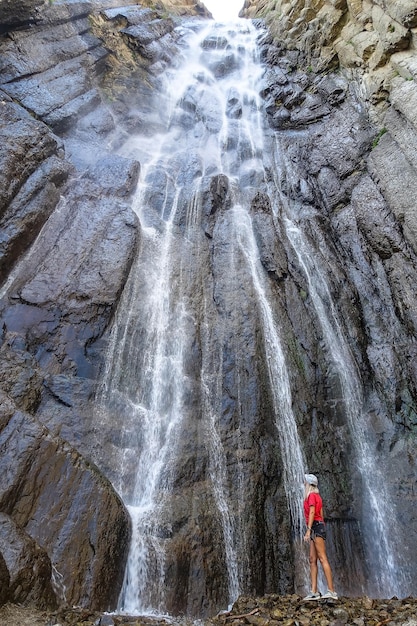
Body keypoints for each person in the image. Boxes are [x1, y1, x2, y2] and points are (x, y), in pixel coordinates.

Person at [303, 473, 338, 601]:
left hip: (315, 527)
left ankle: (331, 591)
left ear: (309, 484)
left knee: (322, 558)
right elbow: (321, 513)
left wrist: (308, 530)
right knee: (312, 559)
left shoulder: (312, 496)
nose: (304, 484)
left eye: (305, 482)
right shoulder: (317, 496)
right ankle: (314, 591)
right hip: (317, 527)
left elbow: (313, 512)